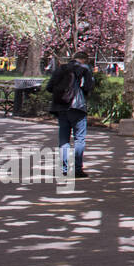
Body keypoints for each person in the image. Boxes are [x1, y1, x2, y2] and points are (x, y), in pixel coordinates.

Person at [46, 51, 94, 179]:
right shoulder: (84, 69)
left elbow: (49, 87)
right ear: (84, 59)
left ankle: (64, 168)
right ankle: (78, 169)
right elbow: (89, 86)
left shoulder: (61, 69)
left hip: (61, 107)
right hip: (77, 107)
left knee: (64, 139)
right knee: (79, 138)